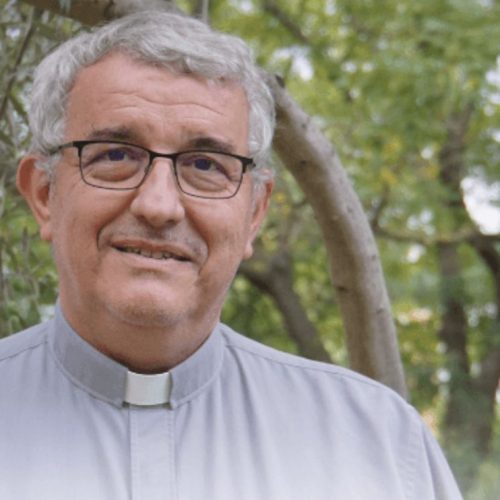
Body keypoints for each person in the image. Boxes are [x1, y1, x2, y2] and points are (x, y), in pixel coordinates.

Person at [0, 9, 462, 500]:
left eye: (205, 165)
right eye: (115, 155)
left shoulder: (379, 445)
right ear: (44, 194)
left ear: (254, 213)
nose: (159, 206)